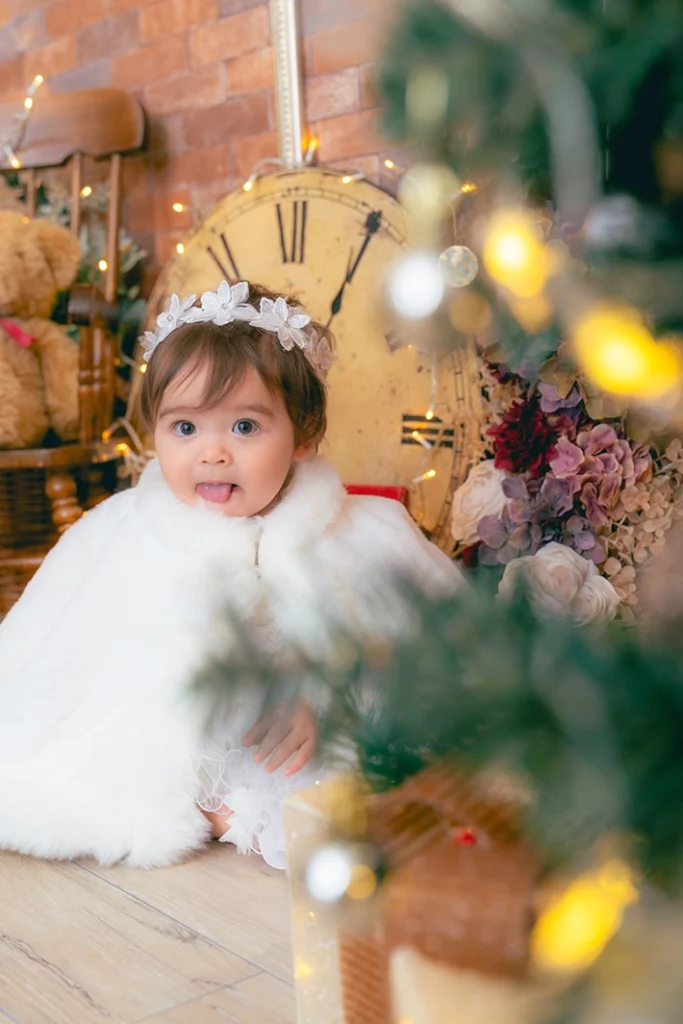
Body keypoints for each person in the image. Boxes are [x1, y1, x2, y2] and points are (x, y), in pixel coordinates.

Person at [0, 280, 462, 871]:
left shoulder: (358, 532)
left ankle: (259, 804)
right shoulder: (123, 528)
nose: (212, 453)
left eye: (244, 427)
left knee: (365, 793)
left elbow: (417, 650)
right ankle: (208, 800)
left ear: (303, 434)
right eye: (185, 428)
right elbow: (72, 658)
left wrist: (325, 691)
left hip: (295, 739)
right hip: (178, 737)